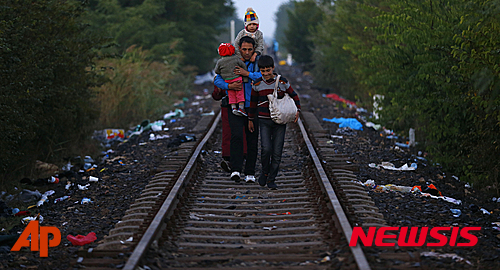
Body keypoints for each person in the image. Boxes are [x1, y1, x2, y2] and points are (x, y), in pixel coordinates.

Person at [248, 55, 301, 189]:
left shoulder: (282, 82)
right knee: (266, 149)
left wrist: (297, 110)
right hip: (264, 121)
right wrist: (250, 119)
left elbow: (294, 95)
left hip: (280, 122)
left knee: (277, 152)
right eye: (263, 71)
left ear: (273, 68)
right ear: (260, 70)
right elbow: (253, 103)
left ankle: (271, 179)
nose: (266, 73)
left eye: (268, 70)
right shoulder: (257, 84)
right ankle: (265, 172)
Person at [214, 36, 261, 183]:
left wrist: (247, 74)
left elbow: (263, 76)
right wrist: (229, 86)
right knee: (236, 136)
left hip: (252, 106)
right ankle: (236, 169)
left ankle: (250, 172)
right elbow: (217, 79)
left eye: (250, 49)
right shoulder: (230, 61)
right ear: (239, 49)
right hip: (233, 105)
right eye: (244, 49)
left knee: (252, 138)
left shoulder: (257, 63)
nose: (247, 52)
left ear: (254, 49)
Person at [214, 43, 247, 116]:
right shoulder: (235, 59)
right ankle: (241, 108)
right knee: (239, 93)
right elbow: (243, 65)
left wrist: (223, 72)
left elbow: (216, 71)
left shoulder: (220, 62)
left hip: (228, 80)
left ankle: (233, 108)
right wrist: (244, 71)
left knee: (231, 94)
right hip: (237, 79)